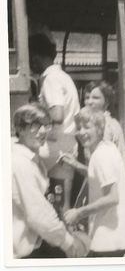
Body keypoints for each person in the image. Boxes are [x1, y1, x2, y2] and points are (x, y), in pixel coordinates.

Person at [11, 103, 88, 258]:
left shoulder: (32, 158)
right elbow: (39, 216)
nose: (43, 132)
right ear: (20, 129)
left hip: (38, 243)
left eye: (46, 125)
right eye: (35, 126)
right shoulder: (21, 164)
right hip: (24, 254)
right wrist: (68, 243)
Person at [63, 108, 125, 257]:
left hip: (107, 240)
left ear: (99, 129)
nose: (81, 132)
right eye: (79, 128)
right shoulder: (108, 148)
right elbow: (99, 177)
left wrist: (78, 213)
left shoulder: (101, 156)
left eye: (87, 127)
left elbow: (112, 198)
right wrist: (76, 165)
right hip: (120, 236)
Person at [29, 33, 80, 214]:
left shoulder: (50, 79)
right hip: (67, 146)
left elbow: (57, 114)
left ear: (34, 57)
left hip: (54, 147)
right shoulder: (62, 76)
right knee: (62, 205)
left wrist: (34, 115)